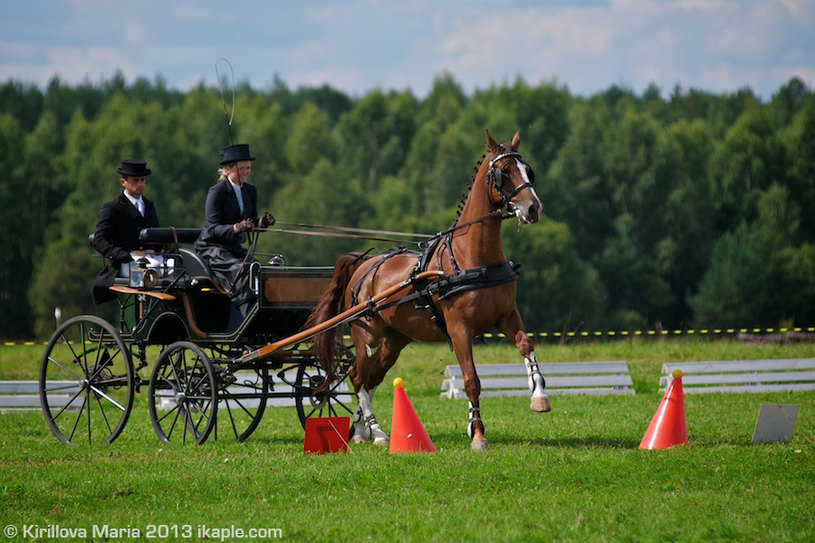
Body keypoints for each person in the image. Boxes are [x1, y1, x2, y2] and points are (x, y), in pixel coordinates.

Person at [195, 143, 274, 319]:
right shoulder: (216, 192)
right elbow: (213, 228)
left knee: (261, 270)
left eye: (248, 168)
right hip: (213, 249)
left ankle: (265, 317)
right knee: (245, 270)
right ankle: (247, 318)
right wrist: (237, 227)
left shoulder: (250, 191)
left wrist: (263, 223)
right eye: (242, 168)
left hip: (234, 249)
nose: (246, 172)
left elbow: (251, 223)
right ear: (228, 169)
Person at [91, 159, 161, 304]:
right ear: (123, 182)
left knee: (177, 267)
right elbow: (99, 239)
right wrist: (121, 255)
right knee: (153, 268)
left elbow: (156, 234)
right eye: (136, 180)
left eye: (142, 180)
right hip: (126, 261)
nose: (140, 184)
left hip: (150, 257)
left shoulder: (149, 206)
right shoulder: (112, 208)